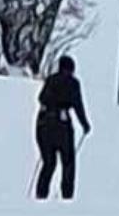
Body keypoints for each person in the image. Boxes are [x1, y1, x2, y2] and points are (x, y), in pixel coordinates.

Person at [34, 55, 91, 200]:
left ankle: (41, 194)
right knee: (68, 162)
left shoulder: (51, 80)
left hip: (43, 124)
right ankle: (67, 196)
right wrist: (85, 125)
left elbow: (41, 98)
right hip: (62, 125)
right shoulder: (73, 83)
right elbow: (78, 106)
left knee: (48, 162)